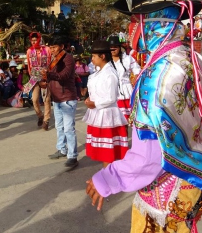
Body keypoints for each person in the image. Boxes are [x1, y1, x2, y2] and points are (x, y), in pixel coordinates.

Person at [86, 0, 202, 231]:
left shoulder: (156, 76)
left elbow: (149, 156)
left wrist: (111, 177)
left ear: (151, 23)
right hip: (196, 179)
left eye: (134, 21)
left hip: (167, 189)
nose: (130, 30)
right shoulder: (194, 59)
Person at [83, 40, 128, 168]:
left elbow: (111, 97)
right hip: (99, 113)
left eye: (93, 56)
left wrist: (95, 103)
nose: (91, 59)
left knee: (107, 150)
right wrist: (89, 100)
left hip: (107, 115)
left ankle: (107, 175)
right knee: (103, 149)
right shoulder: (98, 72)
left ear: (102, 56)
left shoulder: (110, 73)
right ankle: (107, 174)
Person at [42, 36, 79, 168]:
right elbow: (52, 77)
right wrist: (44, 79)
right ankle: (62, 149)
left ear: (62, 47)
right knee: (59, 126)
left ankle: (73, 156)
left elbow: (64, 75)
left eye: (54, 47)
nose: (52, 50)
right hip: (56, 98)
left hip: (67, 98)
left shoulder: (68, 57)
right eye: (50, 47)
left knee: (69, 128)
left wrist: (48, 74)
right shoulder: (53, 59)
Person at [107, 35, 141, 122]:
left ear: (119, 48)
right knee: (115, 122)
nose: (113, 50)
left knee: (128, 120)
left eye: (115, 47)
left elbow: (137, 69)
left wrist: (135, 78)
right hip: (110, 92)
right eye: (111, 48)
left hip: (126, 92)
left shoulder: (127, 58)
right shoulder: (105, 60)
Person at [23, 32, 52, 131]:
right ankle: (40, 115)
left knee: (46, 99)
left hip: (45, 76)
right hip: (35, 77)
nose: (34, 42)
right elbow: (29, 66)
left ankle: (46, 120)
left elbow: (51, 62)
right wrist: (32, 75)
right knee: (34, 99)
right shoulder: (29, 51)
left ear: (39, 39)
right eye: (32, 40)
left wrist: (48, 74)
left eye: (36, 40)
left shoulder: (47, 49)